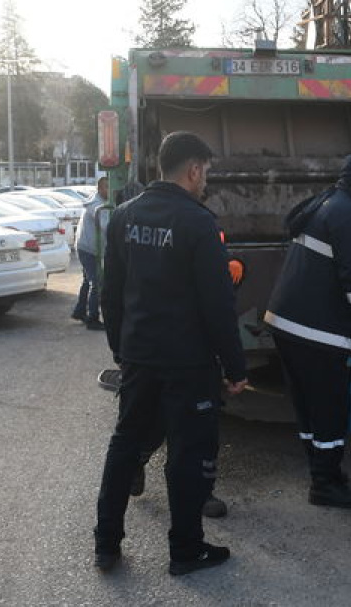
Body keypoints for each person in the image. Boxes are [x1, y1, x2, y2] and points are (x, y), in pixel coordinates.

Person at [94, 131, 249, 576]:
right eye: (207, 173)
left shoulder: (124, 216)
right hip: (188, 363)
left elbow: (111, 292)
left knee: (124, 446)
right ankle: (186, 550)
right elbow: (217, 305)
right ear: (194, 169)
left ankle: (106, 544)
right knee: (186, 454)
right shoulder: (198, 223)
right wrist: (235, 367)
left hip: (140, 357)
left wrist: (122, 349)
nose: (206, 182)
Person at [265, 153, 351, 509]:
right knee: (331, 407)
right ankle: (325, 484)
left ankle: (323, 473)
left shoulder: (326, 203)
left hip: (287, 324)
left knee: (307, 407)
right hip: (317, 332)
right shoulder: (349, 215)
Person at [72, 176, 109, 330]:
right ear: (100, 188)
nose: (111, 190)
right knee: (96, 282)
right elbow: (107, 226)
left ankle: (80, 311)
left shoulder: (99, 202)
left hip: (87, 247)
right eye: (107, 187)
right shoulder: (96, 205)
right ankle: (92, 318)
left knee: (88, 280)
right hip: (88, 248)